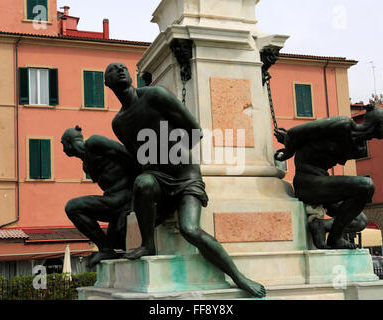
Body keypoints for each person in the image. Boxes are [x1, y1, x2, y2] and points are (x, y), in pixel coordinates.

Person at [105, 62, 266, 298]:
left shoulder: (155, 96)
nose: (119, 69)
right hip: (157, 179)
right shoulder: (118, 123)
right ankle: (148, 243)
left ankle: (239, 277)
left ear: (130, 76)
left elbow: (194, 130)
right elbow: (138, 157)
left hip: (184, 175)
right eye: (112, 69)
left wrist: (170, 156)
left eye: (122, 67)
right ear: (107, 83)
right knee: (142, 182)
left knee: (190, 229)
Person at [274, 105, 383, 249]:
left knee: (360, 221)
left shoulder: (359, 149)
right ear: (378, 124)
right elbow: (294, 133)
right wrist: (287, 153)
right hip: (307, 182)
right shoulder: (343, 125)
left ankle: (321, 226)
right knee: (366, 185)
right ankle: (335, 239)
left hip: (322, 184)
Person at [61, 126, 140, 267]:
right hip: (114, 200)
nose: (63, 150)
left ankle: (105, 248)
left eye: (62, 144)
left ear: (68, 142)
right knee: (117, 240)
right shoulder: (86, 165)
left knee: (72, 207)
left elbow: (131, 157)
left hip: (125, 197)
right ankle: (106, 248)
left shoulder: (95, 143)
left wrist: (135, 201)